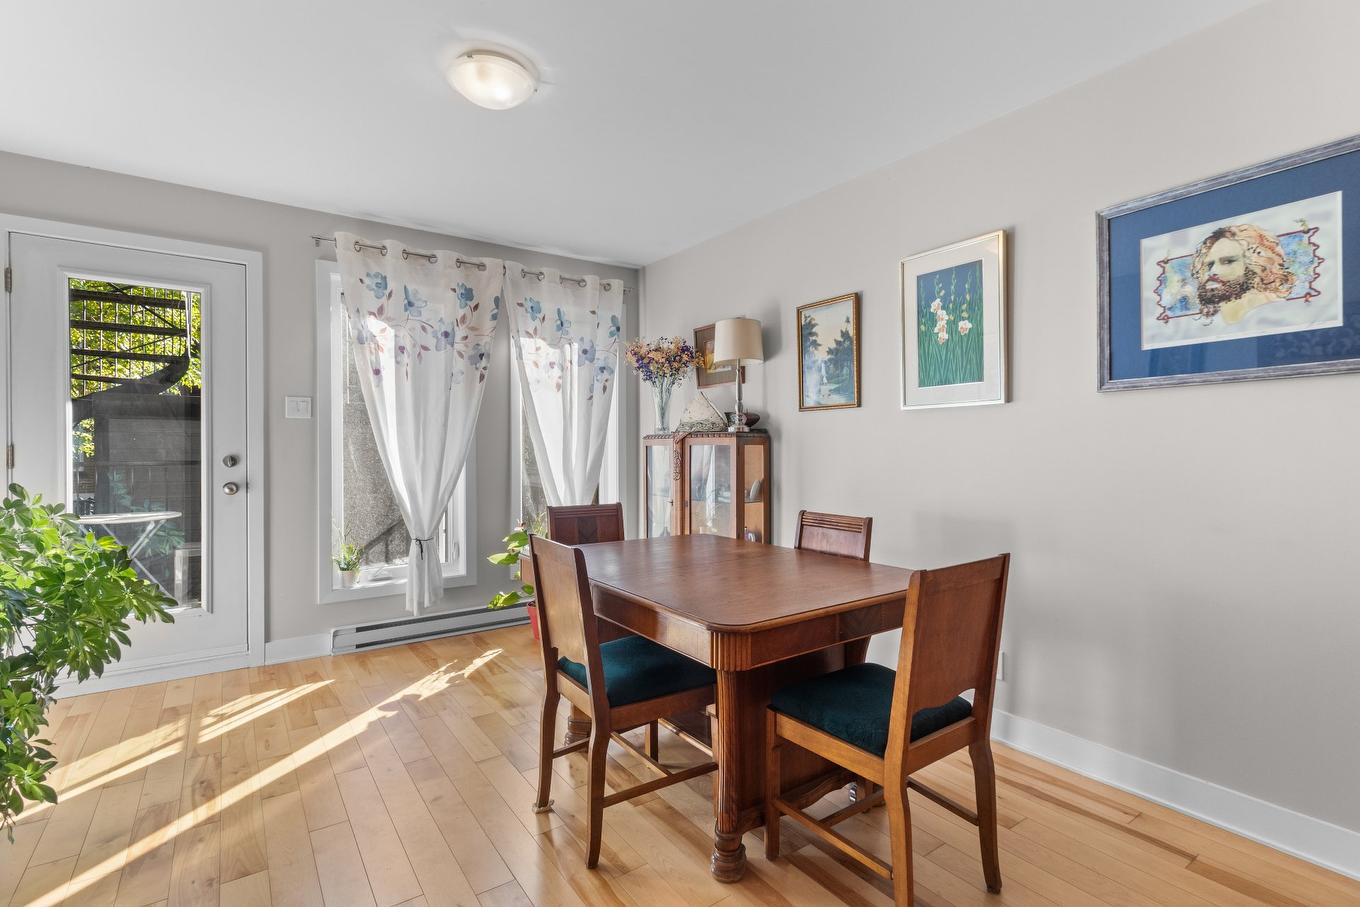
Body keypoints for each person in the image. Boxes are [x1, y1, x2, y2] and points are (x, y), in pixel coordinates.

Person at [1191, 224, 1295, 325]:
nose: (1213, 271)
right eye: (1209, 265)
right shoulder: (1221, 317)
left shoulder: (1275, 312)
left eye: (1228, 261)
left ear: (1256, 264)